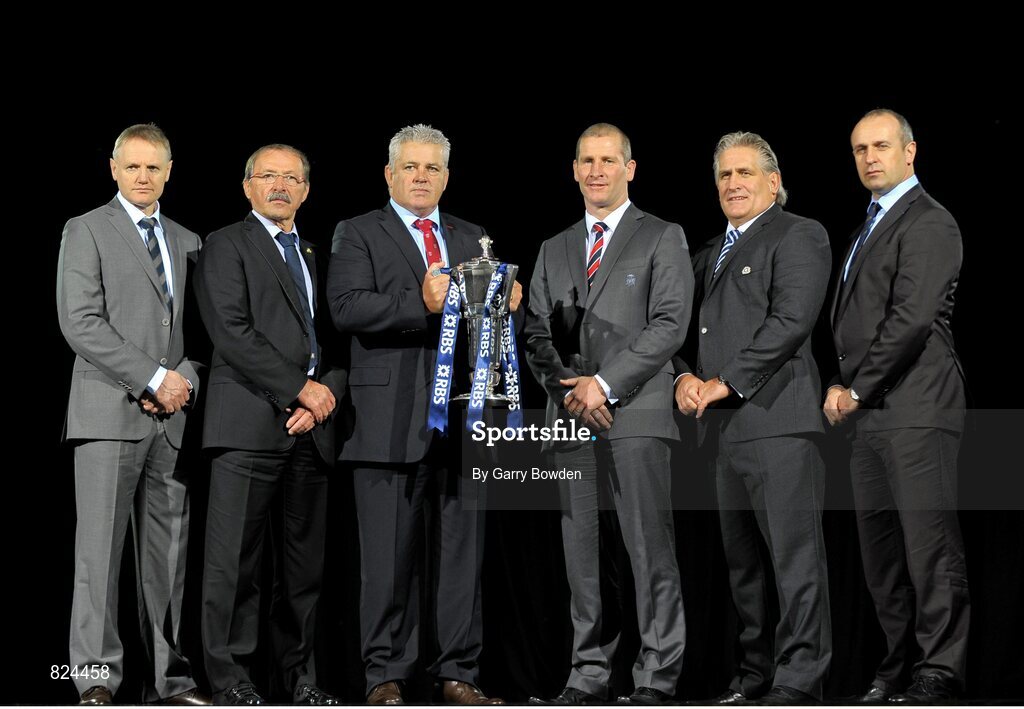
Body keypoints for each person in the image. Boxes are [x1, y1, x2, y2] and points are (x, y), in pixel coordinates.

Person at [328, 124, 515, 705]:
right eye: (410, 167)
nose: (421, 177)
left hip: (463, 420)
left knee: (462, 557)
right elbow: (345, 307)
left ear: (447, 177)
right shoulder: (358, 232)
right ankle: (386, 674)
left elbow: (486, 324)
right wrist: (421, 304)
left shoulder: (472, 237)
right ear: (389, 174)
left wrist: (506, 300)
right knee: (386, 559)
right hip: (386, 422)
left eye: (432, 169)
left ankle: (459, 671)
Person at [524, 123, 692, 706]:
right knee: (582, 555)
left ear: (630, 168)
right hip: (572, 418)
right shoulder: (554, 246)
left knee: (649, 548)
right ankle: (588, 674)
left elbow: (669, 323)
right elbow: (535, 333)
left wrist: (604, 385)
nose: (597, 170)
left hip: (638, 415)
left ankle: (656, 676)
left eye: (608, 160)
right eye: (587, 161)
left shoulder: (662, 236)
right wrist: (575, 391)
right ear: (574, 170)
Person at [675, 131, 832, 705]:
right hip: (722, 434)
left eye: (745, 173)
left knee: (795, 561)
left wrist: (724, 381)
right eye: (724, 175)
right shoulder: (706, 254)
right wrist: (682, 376)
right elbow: (671, 324)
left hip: (780, 424)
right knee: (743, 569)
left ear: (773, 181)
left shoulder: (798, 234)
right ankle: (754, 676)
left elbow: (791, 321)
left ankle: (799, 679)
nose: (733, 184)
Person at [57, 123, 209, 706]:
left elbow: (201, 332)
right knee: (99, 554)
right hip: (107, 414)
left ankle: (169, 682)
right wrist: (153, 378)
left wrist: (182, 383)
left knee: (168, 560)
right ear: (114, 170)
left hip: (173, 418)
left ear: (169, 171)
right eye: (133, 166)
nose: (144, 176)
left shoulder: (190, 239)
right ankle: (95, 679)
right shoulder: (86, 229)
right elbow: (81, 321)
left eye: (154, 167)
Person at [824, 109, 968, 704]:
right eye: (859, 149)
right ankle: (896, 667)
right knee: (881, 554)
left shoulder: (929, 221)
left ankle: (940, 669)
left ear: (911, 152)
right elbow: (853, 324)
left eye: (881, 145)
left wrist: (853, 391)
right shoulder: (868, 224)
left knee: (928, 544)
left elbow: (909, 321)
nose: (869, 157)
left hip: (915, 404)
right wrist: (846, 386)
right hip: (870, 415)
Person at [194, 144, 344, 706]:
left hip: (312, 430)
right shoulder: (226, 244)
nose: (280, 186)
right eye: (268, 176)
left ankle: (300, 679)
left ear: (306, 190)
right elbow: (231, 331)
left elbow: (333, 337)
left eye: (291, 178)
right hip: (248, 425)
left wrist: (323, 396)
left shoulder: (313, 250)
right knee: (233, 565)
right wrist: (299, 388)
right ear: (247, 186)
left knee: (303, 571)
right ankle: (230, 679)